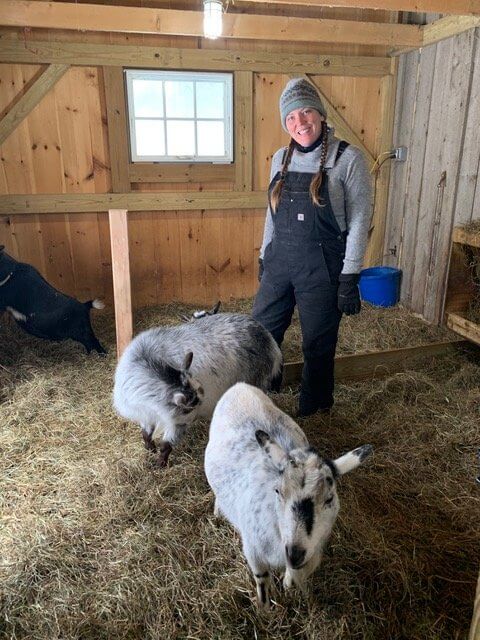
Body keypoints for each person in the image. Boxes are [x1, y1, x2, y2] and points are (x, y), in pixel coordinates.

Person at [252, 77, 372, 417]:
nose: (300, 123)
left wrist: (350, 275)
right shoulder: (280, 158)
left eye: (306, 112)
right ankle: (259, 401)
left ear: (319, 114)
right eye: (291, 117)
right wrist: (264, 254)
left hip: (322, 267)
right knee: (262, 333)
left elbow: (361, 220)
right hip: (279, 262)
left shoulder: (348, 159)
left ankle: (314, 409)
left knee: (317, 343)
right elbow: (272, 213)